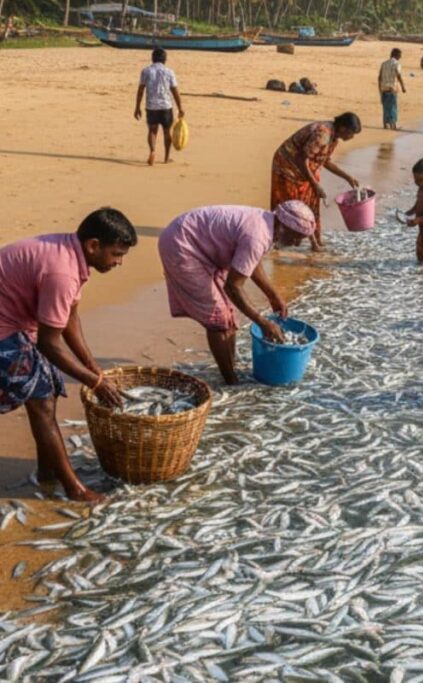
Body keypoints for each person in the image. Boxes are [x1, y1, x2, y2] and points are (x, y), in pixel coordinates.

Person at [0, 209, 137, 502]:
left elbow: (69, 317)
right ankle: (73, 488)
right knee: (41, 403)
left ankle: (48, 472)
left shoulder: (71, 255)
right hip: (4, 324)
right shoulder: (61, 272)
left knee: (44, 395)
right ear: (93, 246)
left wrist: (91, 366)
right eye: (116, 254)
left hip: (16, 319)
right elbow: (49, 344)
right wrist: (95, 383)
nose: (119, 262)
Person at [158, 202, 316, 385]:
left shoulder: (266, 225)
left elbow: (250, 261)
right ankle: (231, 381)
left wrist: (272, 294)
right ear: (284, 226)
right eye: (296, 237)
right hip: (182, 245)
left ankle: (229, 367)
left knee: (228, 317)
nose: (296, 244)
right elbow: (233, 287)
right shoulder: (257, 236)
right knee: (218, 317)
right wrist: (263, 322)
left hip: (198, 243)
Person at [270, 113, 362, 251]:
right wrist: (314, 183)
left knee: (311, 204)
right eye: (351, 133)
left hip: (305, 170)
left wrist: (347, 177)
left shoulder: (333, 138)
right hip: (287, 167)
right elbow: (302, 159)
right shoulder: (323, 134)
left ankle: (314, 241)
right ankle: (275, 240)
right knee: (290, 207)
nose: (352, 137)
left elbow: (325, 161)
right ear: (343, 128)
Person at [134, 48, 184, 166]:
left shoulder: (145, 71)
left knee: (152, 130)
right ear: (165, 60)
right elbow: (175, 91)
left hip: (151, 106)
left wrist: (137, 107)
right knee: (167, 132)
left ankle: (152, 151)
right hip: (166, 106)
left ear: (152, 58)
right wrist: (180, 107)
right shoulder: (169, 72)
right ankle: (166, 158)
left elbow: (140, 90)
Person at [378, 48, 407, 130]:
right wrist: (403, 87)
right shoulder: (396, 64)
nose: (400, 57)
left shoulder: (384, 64)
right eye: (400, 55)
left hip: (383, 88)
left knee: (385, 107)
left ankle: (385, 125)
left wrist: (379, 89)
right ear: (397, 55)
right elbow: (398, 75)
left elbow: (379, 77)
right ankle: (393, 126)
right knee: (393, 108)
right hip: (392, 88)